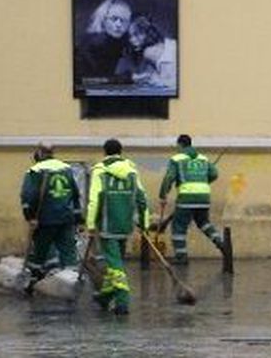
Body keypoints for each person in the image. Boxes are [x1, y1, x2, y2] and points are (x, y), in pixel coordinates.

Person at [86, 138, 149, 314]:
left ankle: (122, 300)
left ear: (104, 152)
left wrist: (91, 224)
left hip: (107, 225)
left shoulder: (100, 171)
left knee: (115, 265)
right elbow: (142, 198)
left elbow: (94, 200)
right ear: (121, 151)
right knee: (116, 262)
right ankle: (105, 296)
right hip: (125, 225)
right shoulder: (132, 172)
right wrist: (144, 224)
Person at [20, 144, 83, 289]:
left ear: (40, 154)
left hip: (45, 220)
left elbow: (28, 196)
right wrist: (79, 218)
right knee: (68, 253)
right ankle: (71, 283)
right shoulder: (66, 169)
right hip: (66, 218)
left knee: (40, 253)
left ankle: (33, 282)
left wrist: (30, 216)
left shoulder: (35, 171)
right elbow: (75, 194)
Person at [158, 134, 227, 265]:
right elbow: (214, 174)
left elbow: (169, 177)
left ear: (180, 145)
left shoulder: (177, 159)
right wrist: (202, 182)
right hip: (204, 197)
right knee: (204, 223)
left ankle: (181, 256)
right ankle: (220, 242)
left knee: (179, 227)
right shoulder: (203, 158)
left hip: (186, 197)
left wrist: (163, 195)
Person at [77, 0, 134, 85]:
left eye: (124, 21)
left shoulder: (117, 41)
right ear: (103, 19)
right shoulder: (94, 44)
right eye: (114, 19)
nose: (119, 24)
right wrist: (128, 78)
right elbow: (86, 81)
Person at [120, 15, 177, 91]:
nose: (132, 40)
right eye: (130, 36)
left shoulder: (149, 52)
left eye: (137, 34)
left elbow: (168, 82)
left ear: (147, 33)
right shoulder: (166, 43)